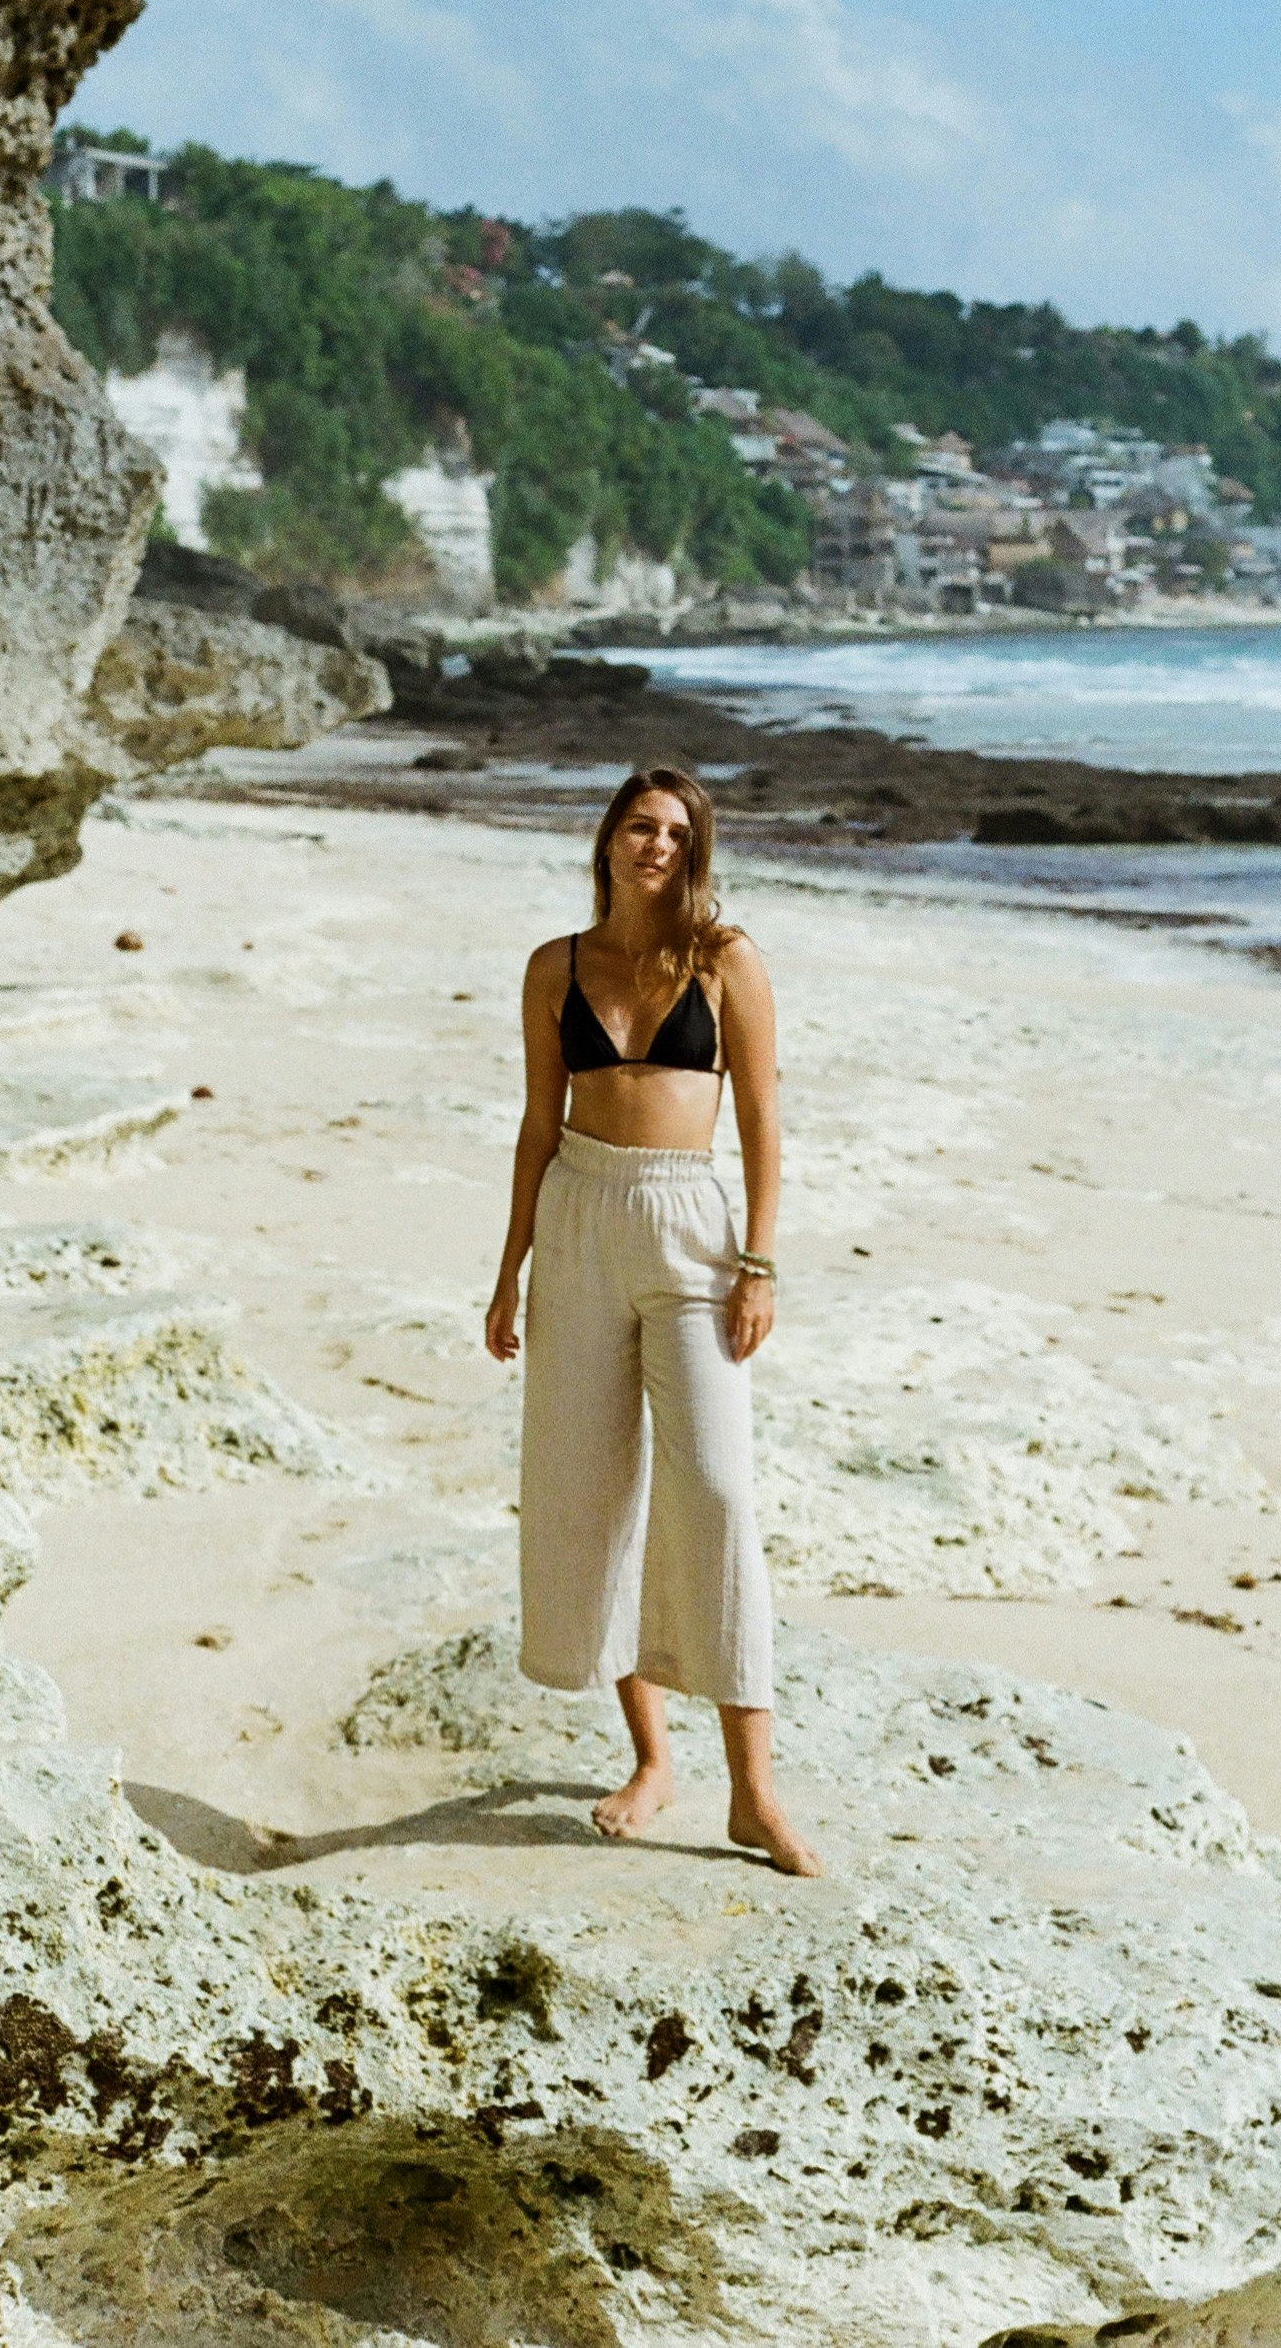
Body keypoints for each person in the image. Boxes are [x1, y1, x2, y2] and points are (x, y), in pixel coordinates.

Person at [484, 765, 820, 1877]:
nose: (656, 847)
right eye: (640, 826)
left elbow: (764, 1118)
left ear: (696, 850)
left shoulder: (725, 961)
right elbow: (538, 1124)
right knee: (593, 1492)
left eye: (677, 833)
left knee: (715, 1487)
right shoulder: (554, 966)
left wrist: (760, 1262)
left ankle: (754, 1791)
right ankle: (650, 1758)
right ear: (608, 837)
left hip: (688, 1223)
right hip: (577, 1218)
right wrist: (507, 1270)